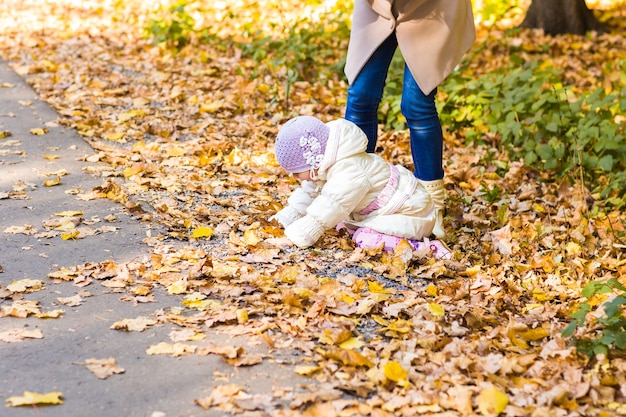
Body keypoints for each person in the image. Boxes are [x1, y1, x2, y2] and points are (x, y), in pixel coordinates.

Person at [344, 0, 476, 238]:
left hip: (434, 9)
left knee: (417, 103)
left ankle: (432, 206)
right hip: (378, 5)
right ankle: (353, 190)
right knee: (360, 95)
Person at [270, 115, 451, 259]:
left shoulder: (350, 171)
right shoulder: (327, 161)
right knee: (340, 225)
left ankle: (426, 249)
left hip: (410, 214)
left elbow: (328, 206)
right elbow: (309, 192)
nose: (294, 177)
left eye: (297, 172)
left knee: (364, 238)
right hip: (389, 209)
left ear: (314, 162)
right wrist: (285, 218)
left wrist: (295, 238)